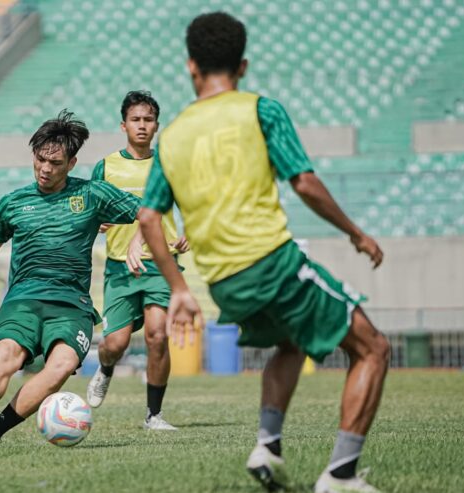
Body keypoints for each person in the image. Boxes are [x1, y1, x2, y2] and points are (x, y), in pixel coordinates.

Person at [137, 12, 391, 493]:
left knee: (291, 343)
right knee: (373, 349)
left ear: (191, 67)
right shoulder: (260, 110)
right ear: (244, 65)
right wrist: (356, 233)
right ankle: (341, 475)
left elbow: (149, 218)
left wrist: (178, 290)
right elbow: (305, 183)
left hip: (224, 282)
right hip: (272, 262)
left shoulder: (172, 135)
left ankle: (268, 448)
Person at [0, 110, 143, 451]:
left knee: (60, 366)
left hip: (71, 305)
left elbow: (148, 210)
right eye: (40, 159)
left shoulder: (93, 195)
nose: (45, 169)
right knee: (7, 356)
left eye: (55, 163)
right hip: (23, 300)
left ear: (72, 163)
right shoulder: (15, 203)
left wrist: (136, 238)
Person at [86, 90, 189, 430]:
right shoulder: (106, 166)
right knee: (113, 344)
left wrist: (192, 230)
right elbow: (92, 208)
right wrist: (96, 221)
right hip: (119, 266)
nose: (142, 126)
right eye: (135, 120)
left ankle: (153, 415)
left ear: (156, 126)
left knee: (157, 335)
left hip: (162, 263)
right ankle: (105, 368)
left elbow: (191, 203)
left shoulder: (169, 163)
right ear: (123, 125)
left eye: (148, 120)